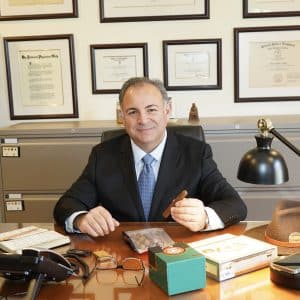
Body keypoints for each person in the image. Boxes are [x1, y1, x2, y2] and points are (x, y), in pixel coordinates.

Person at [54, 77, 247, 237]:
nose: (143, 120)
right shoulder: (103, 155)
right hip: (123, 257)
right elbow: (66, 204)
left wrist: (205, 217)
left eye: (151, 109)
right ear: (122, 116)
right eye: (132, 112)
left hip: (178, 252)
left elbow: (235, 205)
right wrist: (81, 219)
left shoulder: (196, 153)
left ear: (167, 110)